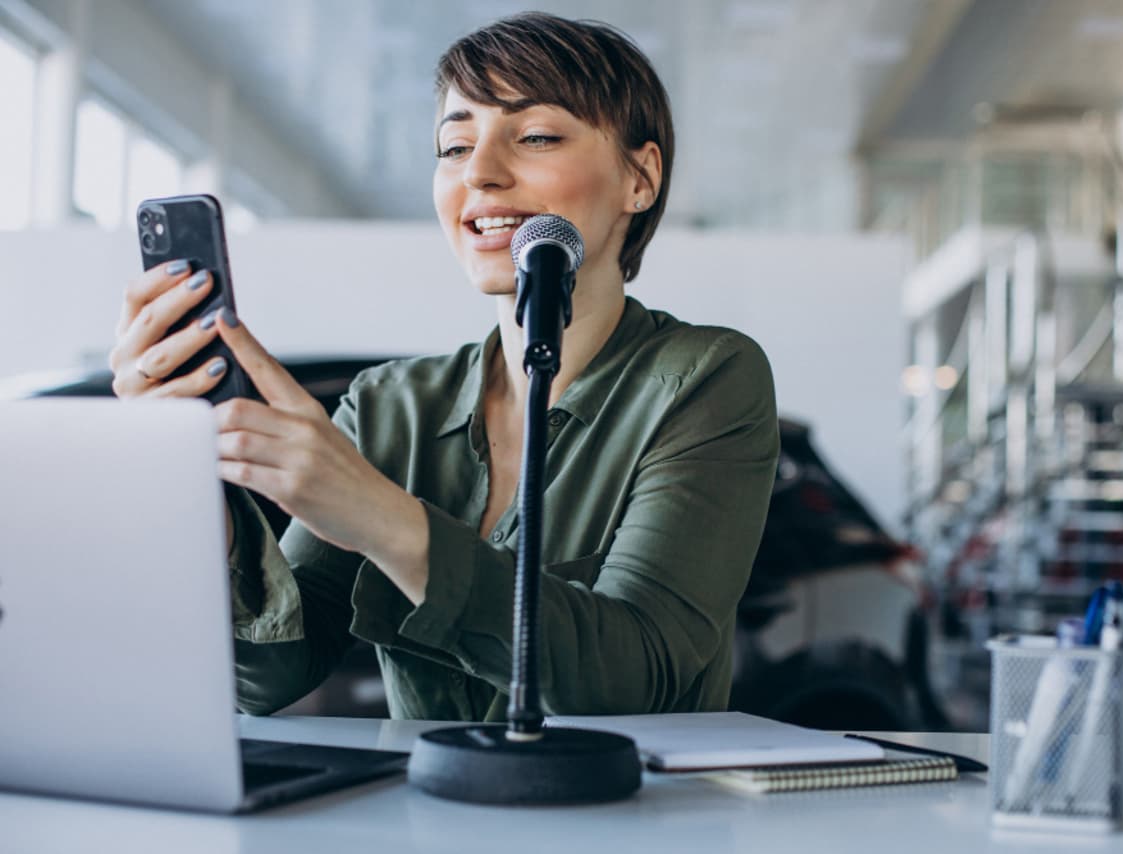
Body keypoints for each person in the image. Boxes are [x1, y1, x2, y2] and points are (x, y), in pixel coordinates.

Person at [107, 12, 779, 721]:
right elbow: (271, 676)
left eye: (536, 136)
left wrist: (377, 515)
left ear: (640, 178)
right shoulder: (389, 404)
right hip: (428, 797)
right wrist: (195, 481)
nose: (479, 172)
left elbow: (634, 677)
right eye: (455, 146)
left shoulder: (708, 376)